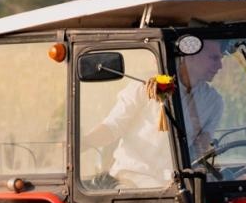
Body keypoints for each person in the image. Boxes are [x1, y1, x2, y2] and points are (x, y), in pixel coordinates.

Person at [82, 43, 225, 189]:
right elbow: (113, 127)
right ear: (190, 56)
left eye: (221, 58)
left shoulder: (214, 101)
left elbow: (200, 148)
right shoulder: (147, 86)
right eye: (214, 58)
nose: (220, 66)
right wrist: (82, 144)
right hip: (132, 176)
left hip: (175, 179)